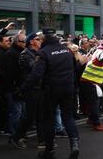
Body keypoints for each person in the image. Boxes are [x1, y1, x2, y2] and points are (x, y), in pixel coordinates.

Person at [22, 28, 79, 159]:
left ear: (45, 39)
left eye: (40, 39)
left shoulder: (44, 52)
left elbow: (36, 75)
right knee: (68, 117)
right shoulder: (66, 50)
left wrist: (23, 89)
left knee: (49, 119)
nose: (40, 41)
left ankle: (49, 149)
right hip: (68, 88)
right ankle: (75, 144)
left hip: (51, 90)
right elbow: (74, 67)